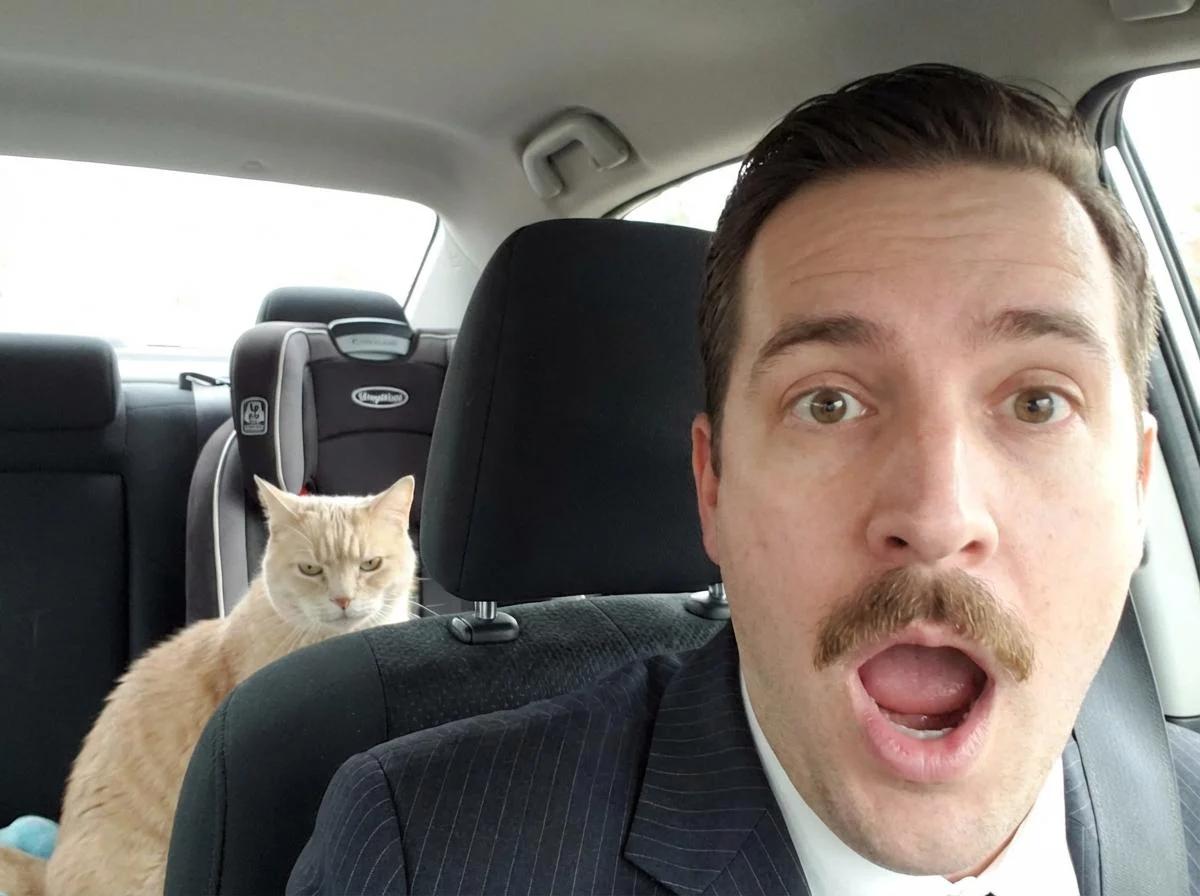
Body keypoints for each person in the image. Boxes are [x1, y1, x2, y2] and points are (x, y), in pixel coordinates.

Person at [287, 64, 1200, 895]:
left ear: (1136, 484)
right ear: (713, 486)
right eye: (829, 404)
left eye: (1038, 403)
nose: (936, 513)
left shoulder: (1178, 819)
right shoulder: (426, 858)